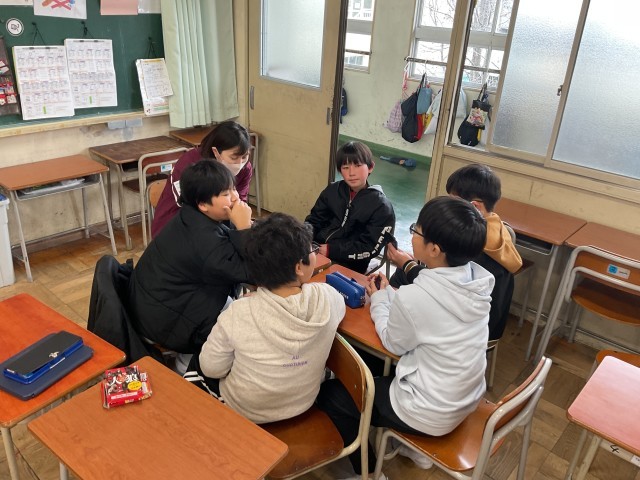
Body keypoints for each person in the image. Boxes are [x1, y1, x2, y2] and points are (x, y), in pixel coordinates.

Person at [317, 196, 494, 479]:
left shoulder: (417, 297)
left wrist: (380, 299)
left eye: (416, 230)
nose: (412, 235)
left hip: (429, 410)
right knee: (371, 364)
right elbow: (427, 314)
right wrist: (391, 295)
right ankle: (418, 452)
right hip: (465, 397)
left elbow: (392, 341)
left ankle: (369, 473)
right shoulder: (475, 283)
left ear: (434, 249)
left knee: (333, 396)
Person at [184, 213, 346, 424]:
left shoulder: (239, 312)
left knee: (198, 365)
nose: (314, 254)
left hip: (245, 412)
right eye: (312, 250)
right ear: (299, 267)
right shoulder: (328, 298)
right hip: (303, 405)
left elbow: (212, 369)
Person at [128, 160, 253, 355]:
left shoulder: (192, 216)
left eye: (234, 189)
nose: (236, 197)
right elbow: (250, 272)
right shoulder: (204, 239)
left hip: (160, 306)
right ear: (203, 204)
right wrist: (244, 228)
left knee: (241, 309)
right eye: (226, 194)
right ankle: (186, 364)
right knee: (245, 324)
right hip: (168, 324)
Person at [389, 163, 522, 340]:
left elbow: (441, 288)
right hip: (485, 326)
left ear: (475, 207)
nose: (448, 206)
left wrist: (407, 264)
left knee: (400, 282)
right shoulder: (496, 227)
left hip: (465, 331)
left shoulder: (470, 246)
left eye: (453, 201)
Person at [305, 141, 395, 274]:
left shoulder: (381, 207)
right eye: (345, 167)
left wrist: (331, 250)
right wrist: (304, 238)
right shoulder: (333, 190)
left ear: (370, 167)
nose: (351, 173)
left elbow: (369, 248)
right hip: (316, 250)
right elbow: (314, 220)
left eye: (357, 166)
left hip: (349, 263)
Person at [151, 121, 253, 238]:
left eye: (244, 156)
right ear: (215, 152)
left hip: (217, 223)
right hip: (177, 227)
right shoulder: (191, 165)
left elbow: (239, 202)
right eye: (234, 158)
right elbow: (189, 208)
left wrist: (241, 222)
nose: (240, 163)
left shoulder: (245, 168)